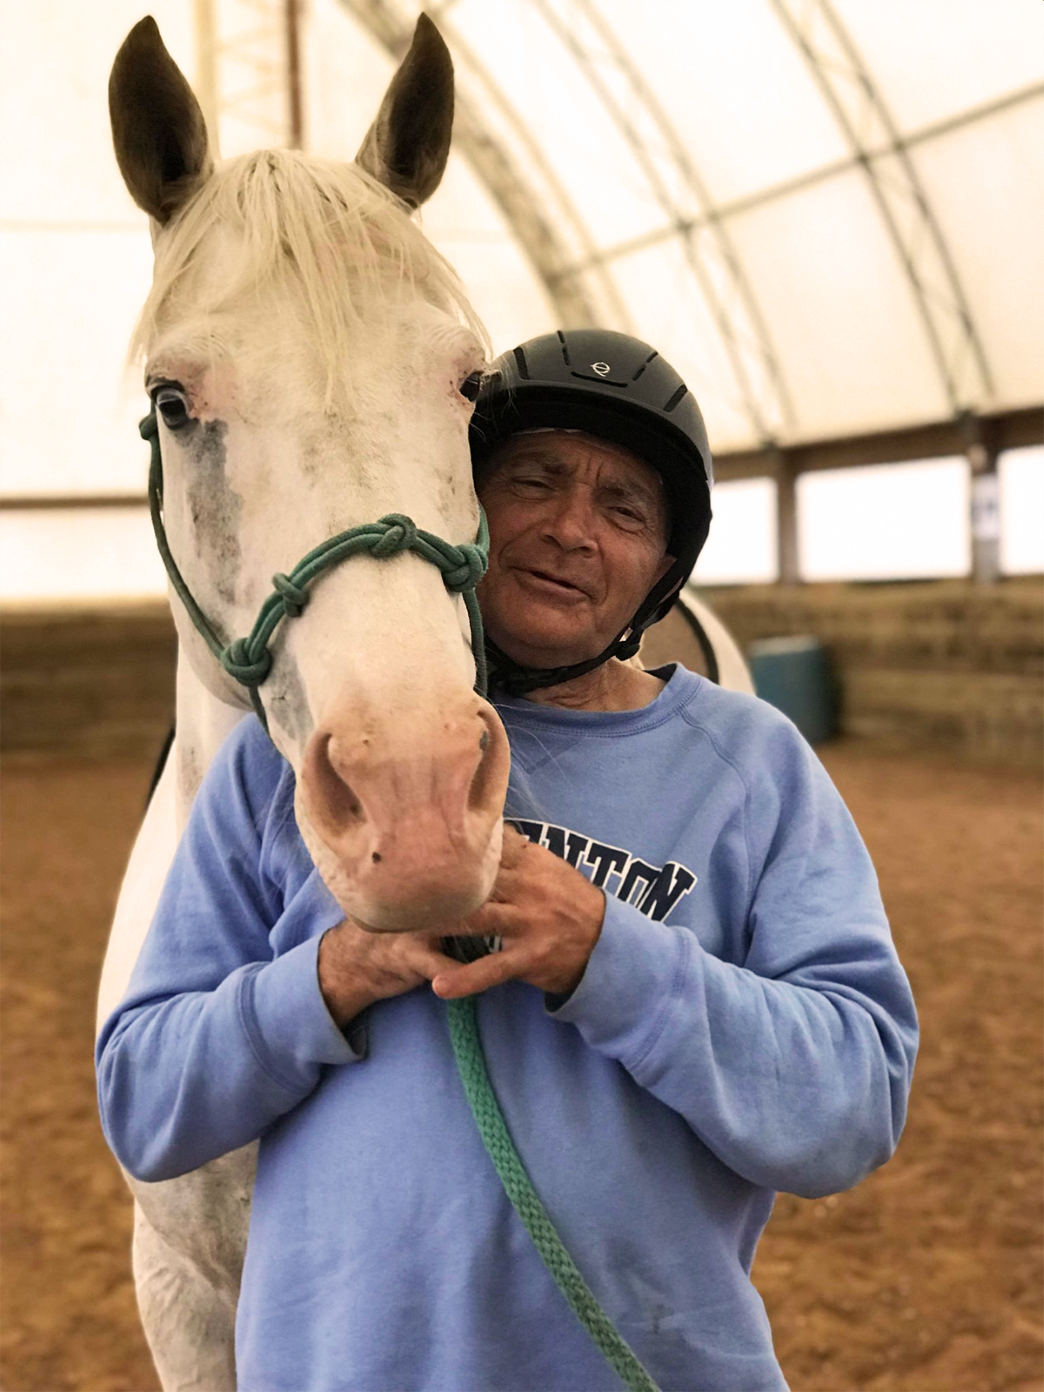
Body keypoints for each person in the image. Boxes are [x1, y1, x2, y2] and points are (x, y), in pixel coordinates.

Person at [97, 329, 918, 1391]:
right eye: (534, 481)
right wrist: (340, 974)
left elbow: (851, 1106)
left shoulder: (753, 768)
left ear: (664, 570)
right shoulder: (292, 757)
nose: (573, 530)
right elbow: (145, 1104)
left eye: (625, 509)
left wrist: (605, 957)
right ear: (460, 505)